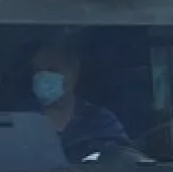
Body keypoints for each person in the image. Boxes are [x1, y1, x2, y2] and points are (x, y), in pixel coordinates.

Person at [28, 33, 134, 162]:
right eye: (38, 70)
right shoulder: (19, 122)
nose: (43, 77)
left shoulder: (100, 123)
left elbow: (123, 163)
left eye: (52, 70)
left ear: (74, 72)